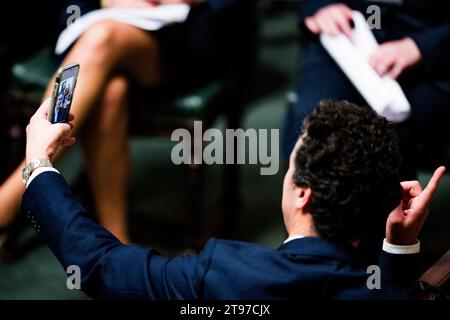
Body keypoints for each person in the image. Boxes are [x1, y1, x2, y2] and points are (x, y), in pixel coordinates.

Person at [21, 98, 445, 299]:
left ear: (302, 194)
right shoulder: (391, 295)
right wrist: (399, 248)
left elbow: (99, 267)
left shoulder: (224, 275)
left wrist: (38, 163)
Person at [0, 0, 255, 244]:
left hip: (184, 36)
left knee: (103, 38)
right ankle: (116, 241)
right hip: (98, 24)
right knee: (111, 92)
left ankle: (13, 196)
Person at [283, 0, 450, 178]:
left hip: (429, 41)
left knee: (388, 142)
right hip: (345, 33)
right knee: (310, 132)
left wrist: (421, 46)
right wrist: (321, 5)